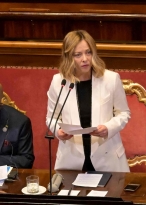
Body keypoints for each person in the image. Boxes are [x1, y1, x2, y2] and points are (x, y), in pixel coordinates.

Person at [46, 30, 130, 173]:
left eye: (88, 52)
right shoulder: (58, 81)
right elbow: (51, 118)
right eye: (78, 55)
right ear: (68, 57)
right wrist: (58, 132)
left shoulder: (111, 79)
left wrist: (109, 128)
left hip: (107, 158)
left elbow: (124, 113)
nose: (85, 59)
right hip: (71, 160)